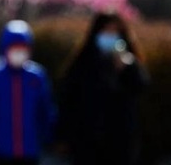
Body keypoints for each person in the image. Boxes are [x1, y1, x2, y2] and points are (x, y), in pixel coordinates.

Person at [57, 12, 149, 165]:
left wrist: (127, 68)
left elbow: (140, 86)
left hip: (120, 141)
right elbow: (68, 99)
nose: (110, 36)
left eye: (114, 31)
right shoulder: (84, 63)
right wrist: (63, 135)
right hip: (87, 141)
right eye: (106, 30)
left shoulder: (128, 63)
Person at [0, 20, 57, 165]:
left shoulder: (37, 77)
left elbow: (46, 110)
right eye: (15, 48)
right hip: (2, 149)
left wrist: (49, 136)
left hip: (30, 149)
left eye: (22, 48)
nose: (19, 52)